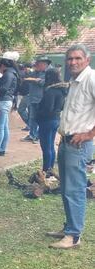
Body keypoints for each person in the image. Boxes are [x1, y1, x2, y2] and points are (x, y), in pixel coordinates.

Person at [47, 45, 95, 248]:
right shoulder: (75, 81)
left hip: (79, 144)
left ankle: (74, 235)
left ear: (87, 60)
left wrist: (89, 134)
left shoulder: (91, 79)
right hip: (67, 141)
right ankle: (69, 227)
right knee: (67, 188)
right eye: (70, 59)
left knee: (74, 190)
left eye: (77, 58)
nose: (73, 62)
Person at [36, 68, 65, 177]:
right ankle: (50, 169)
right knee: (50, 145)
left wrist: (38, 114)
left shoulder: (51, 91)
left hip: (46, 120)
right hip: (56, 119)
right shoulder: (61, 90)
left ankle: (46, 170)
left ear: (48, 77)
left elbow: (48, 108)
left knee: (46, 147)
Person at [0, 58, 19, 157]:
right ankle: (2, 148)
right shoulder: (13, 73)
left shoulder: (8, 74)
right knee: (4, 126)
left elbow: (4, 88)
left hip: (4, 100)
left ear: (2, 66)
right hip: (8, 100)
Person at [22, 59, 50, 143]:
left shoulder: (49, 72)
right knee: (32, 118)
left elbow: (43, 83)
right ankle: (32, 135)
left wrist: (35, 80)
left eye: (38, 64)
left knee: (41, 119)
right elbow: (27, 77)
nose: (36, 66)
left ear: (44, 64)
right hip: (33, 98)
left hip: (42, 99)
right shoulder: (36, 72)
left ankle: (38, 136)